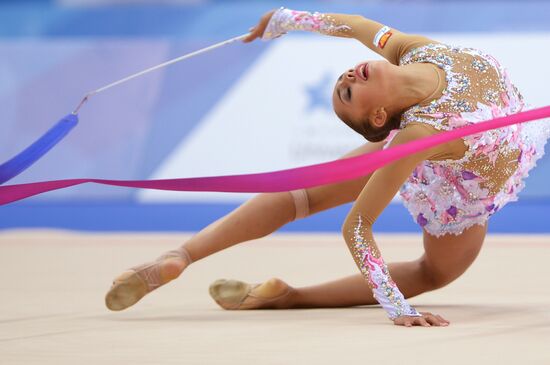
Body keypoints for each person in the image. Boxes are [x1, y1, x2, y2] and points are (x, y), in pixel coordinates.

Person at [105, 8, 549, 327]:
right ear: (379, 120)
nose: (347, 78)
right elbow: (357, 226)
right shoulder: (418, 135)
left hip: (467, 152)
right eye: (346, 93)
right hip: (456, 183)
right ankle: (285, 298)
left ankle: (186, 258)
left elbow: (354, 25)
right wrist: (396, 306)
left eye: (346, 81)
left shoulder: (413, 51)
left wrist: (285, 19)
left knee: (306, 194)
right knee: (434, 274)